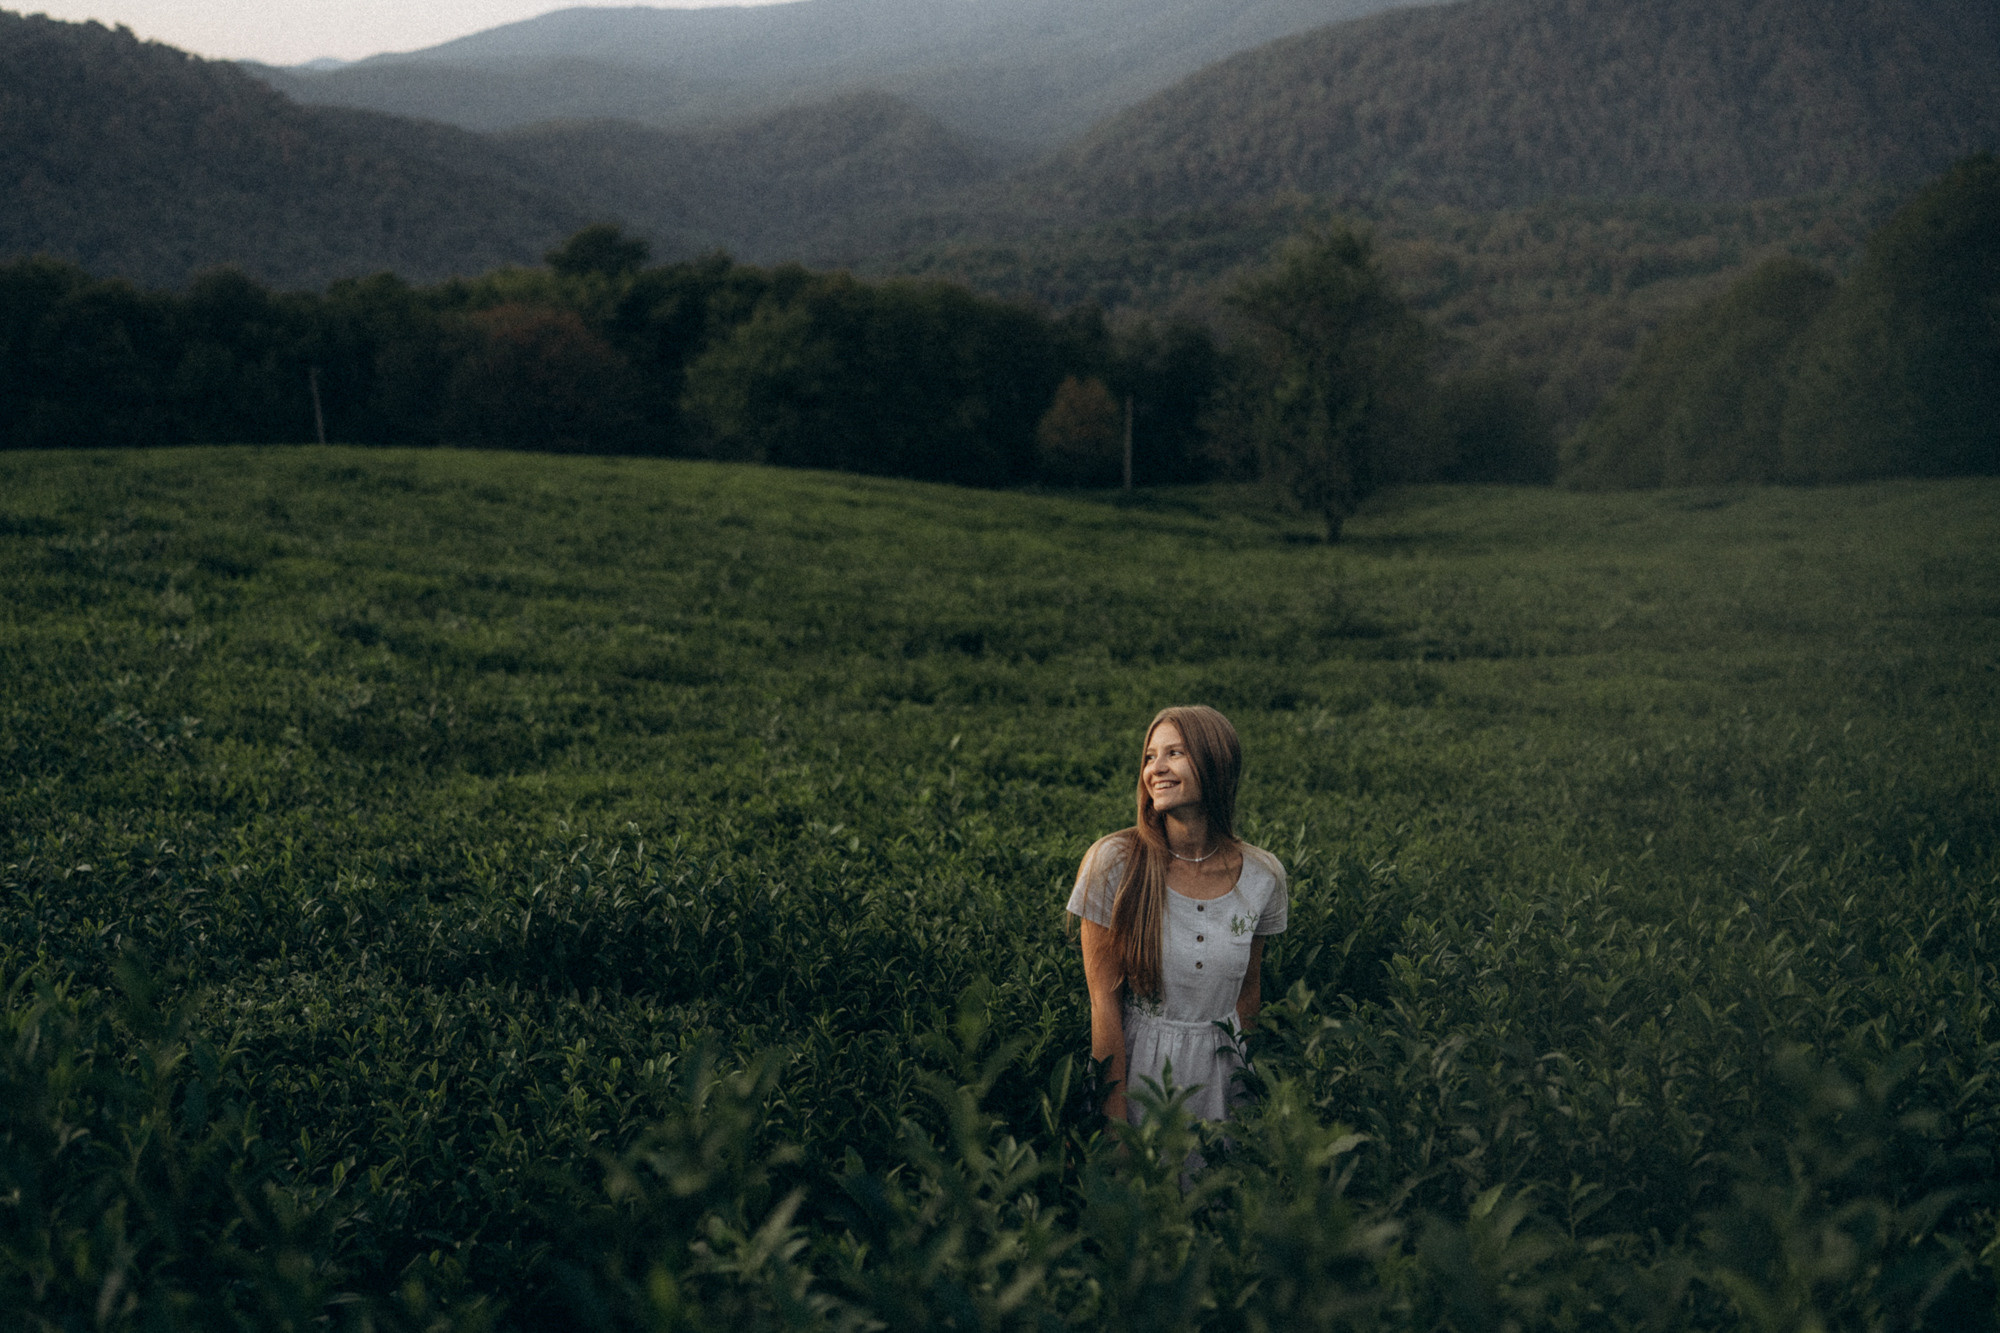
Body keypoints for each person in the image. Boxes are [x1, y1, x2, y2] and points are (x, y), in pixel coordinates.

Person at [1068, 704, 1288, 1128]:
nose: (1156, 769)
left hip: (1224, 1083)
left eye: (1175, 753)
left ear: (1215, 762)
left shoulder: (1263, 875)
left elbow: (1248, 997)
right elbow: (1104, 1006)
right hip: (1140, 1076)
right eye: (1150, 756)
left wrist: (1249, 1107)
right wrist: (1113, 1127)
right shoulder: (1113, 863)